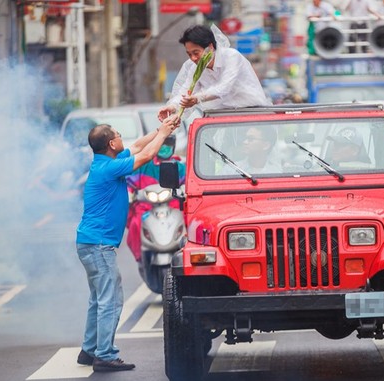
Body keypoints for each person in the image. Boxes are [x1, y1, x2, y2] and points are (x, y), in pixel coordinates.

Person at [75, 115, 180, 372]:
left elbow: (136, 147)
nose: (123, 137)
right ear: (111, 143)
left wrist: (160, 130)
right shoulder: (109, 169)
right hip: (99, 245)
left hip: (90, 243)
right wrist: (163, 135)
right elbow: (145, 156)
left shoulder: (107, 161)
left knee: (98, 298)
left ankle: (89, 350)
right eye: (118, 134)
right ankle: (105, 354)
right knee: (110, 300)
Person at [158, 24, 270, 123]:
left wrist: (197, 98)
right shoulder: (195, 68)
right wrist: (172, 106)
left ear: (210, 47)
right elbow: (186, 91)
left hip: (252, 115)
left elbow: (223, 88)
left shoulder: (231, 57)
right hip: (222, 119)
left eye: (196, 53)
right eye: (189, 54)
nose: (193, 58)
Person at [125, 137, 185, 262]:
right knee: (136, 223)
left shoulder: (180, 167)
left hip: (173, 205)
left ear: (173, 147)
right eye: (162, 144)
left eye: (168, 145)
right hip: (146, 207)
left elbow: (188, 184)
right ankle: (140, 257)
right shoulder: (144, 166)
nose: (164, 148)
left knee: (188, 220)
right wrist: (129, 194)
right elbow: (129, 184)